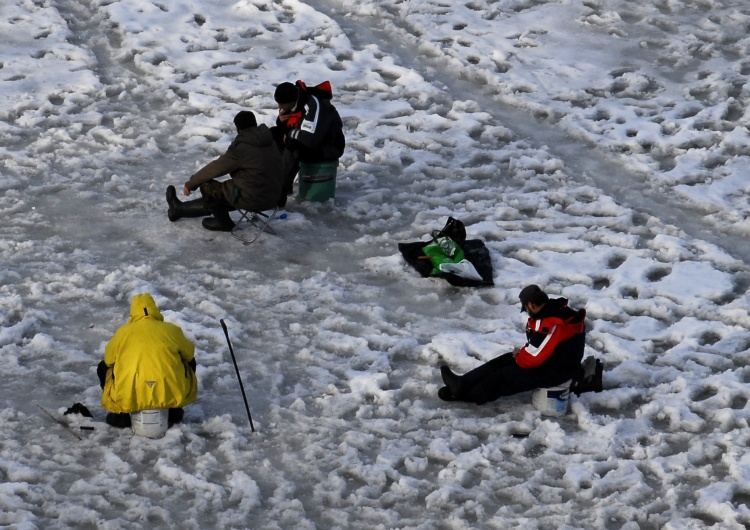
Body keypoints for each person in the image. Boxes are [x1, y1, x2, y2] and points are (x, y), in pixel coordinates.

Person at [438, 285, 586, 404]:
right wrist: (519, 355)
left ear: (530, 304)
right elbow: (542, 348)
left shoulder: (552, 324)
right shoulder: (553, 312)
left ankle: (468, 396)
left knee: (504, 376)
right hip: (552, 363)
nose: (527, 311)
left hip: (556, 371)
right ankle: (462, 383)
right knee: (505, 360)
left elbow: (531, 359)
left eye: (526, 308)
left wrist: (520, 357)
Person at [165, 110, 283, 231]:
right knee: (224, 192)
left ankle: (224, 223)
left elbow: (215, 168)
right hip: (273, 196)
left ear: (239, 129)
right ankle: (178, 209)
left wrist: (191, 184)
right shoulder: (269, 141)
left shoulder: (242, 148)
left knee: (208, 187)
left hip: (254, 198)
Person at [98, 293, 198, 428]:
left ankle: (121, 415)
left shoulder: (123, 332)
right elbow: (189, 355)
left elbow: (109, 360)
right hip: (166, 387)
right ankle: (174, 410)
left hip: (132, 391)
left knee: (103, 367)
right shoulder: (172, 330)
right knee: (188, 362)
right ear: (155, 309)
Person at [271, 80, 345, 205]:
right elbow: (292, 129)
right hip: (313, 141)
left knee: (292, 145)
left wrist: (288, 132)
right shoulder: (296, 101)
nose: (280, 107)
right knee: (273, 134)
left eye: (282, 104)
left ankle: (281, 192)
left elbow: (310, 139)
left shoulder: (313, 105)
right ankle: (279, 180)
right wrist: (281, 123)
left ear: (291, 101)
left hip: (329, 147)